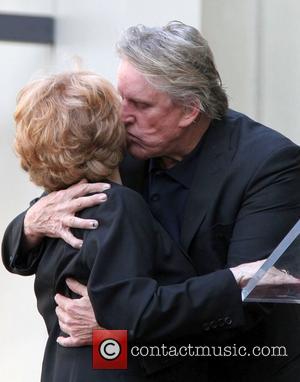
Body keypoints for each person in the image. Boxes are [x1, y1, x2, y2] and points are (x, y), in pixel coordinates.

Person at [2, 21, 300, 381]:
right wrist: (31, 223)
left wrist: (118, 319)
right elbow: (41, 231)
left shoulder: (270, 164)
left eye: (141, 104)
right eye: (121, 97)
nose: (123, 115)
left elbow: (254, 301)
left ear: (190, 109)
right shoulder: (118, 147)